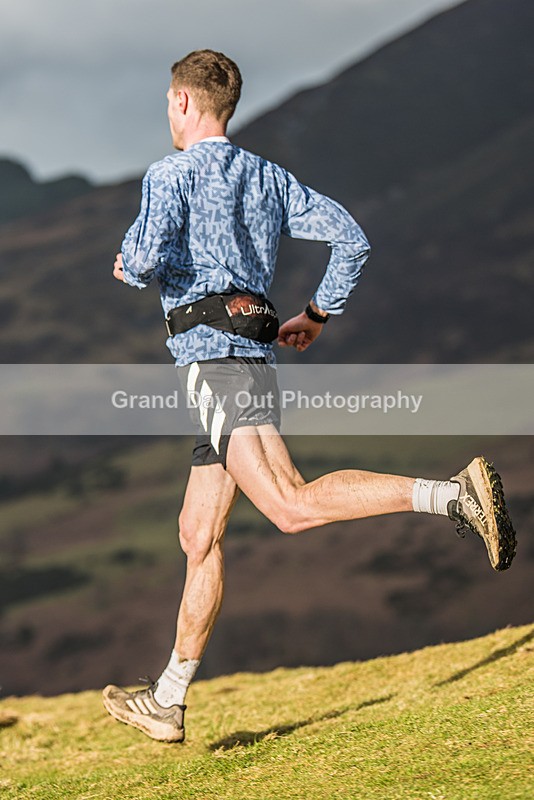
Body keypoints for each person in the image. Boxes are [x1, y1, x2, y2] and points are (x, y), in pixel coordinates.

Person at [103, 50, 517, 743]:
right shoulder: (268, 176)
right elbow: (351, 240)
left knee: (290, 507)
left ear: (181, 103)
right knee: (197, 534)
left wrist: (129, 259)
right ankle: (168, 700)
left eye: (169, 105)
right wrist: (316, 314)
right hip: (255, 361)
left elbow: (141, 261)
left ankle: (452, 495)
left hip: (214, 364)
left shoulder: (168, 174)